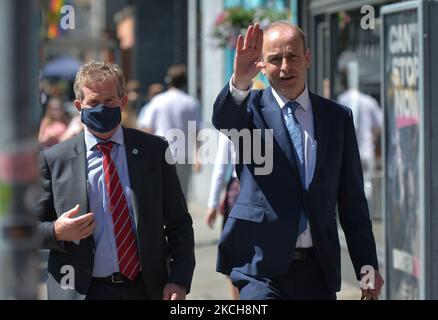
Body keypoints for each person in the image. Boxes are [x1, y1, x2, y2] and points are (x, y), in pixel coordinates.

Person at [212, 22, 383, 300]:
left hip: (318, 269)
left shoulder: (337, 118)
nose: (284, 67)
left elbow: (353, 204)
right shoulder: (249, 111)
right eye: (275, 59)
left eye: (292, 56)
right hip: (261, 268)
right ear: (262, 66)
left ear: (308, 58)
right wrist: (239, 81)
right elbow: (223, 119)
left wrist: (367, 267)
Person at [37, 60, 195, 300]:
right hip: (84, 291)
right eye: (93, 103)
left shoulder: (154, 150)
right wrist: (56, 231)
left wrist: (179, 279)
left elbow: (179, 222)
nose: (102, 108)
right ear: (79, 106)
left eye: (109, 101)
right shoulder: (54, 160)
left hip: (146, 288)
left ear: (122, 102)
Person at [137, 65, 202, 198]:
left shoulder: (158, 101)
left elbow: (148, 129)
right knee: (182, 195)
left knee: (160, 195)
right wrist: (198, 158)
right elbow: (196, 132)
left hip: (160, 154)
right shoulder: (191, 102)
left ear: (168, 80)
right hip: (183, 155)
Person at [337, 63, 383, 199]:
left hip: (348, 152)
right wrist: (372, 137)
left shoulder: (341, 99)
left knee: (349, 188)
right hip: (366, 150)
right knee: (366, 185)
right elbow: (379, 125)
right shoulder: (369, 101)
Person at [205, 132, 240, 300]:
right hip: (262, 192)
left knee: (232, 255)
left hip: (237, 192)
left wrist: (212, 204)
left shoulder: (230, 124)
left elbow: (220, 168)